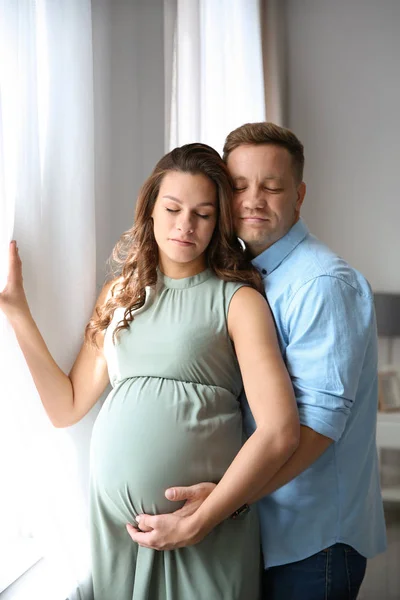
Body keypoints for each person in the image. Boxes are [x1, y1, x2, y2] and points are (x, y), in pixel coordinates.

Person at [0, 142, 299, 600]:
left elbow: (279, 431)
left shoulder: (238, 301)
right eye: (173, 208)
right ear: (151, 211)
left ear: (218, 221)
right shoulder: (120, 294)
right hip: (117, 530)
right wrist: (18, 313)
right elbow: (67, 405)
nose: (185, 225)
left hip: (207, 529)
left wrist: (202, 519)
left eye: (202, 213)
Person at [129, 124, 387, 600]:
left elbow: (316, 425)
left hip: (313, 543)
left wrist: (220, 505)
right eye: (239, 186)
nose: (253, 200)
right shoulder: (251, 276)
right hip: (261, 531)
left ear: (299, 194)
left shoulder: (322, 283)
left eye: (271, 187)